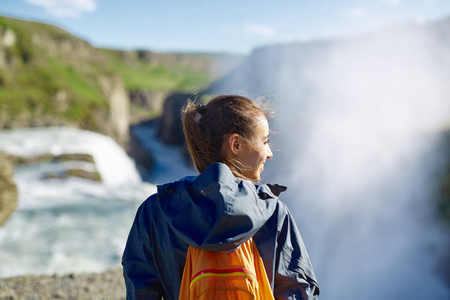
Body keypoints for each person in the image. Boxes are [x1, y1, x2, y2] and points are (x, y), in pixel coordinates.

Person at [122, 95, 319, 299]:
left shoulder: (155, 211)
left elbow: (141, 291)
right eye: (265, 141)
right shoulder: (272, 212)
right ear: (235, 144)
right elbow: (297, 291)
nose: (269, 153)